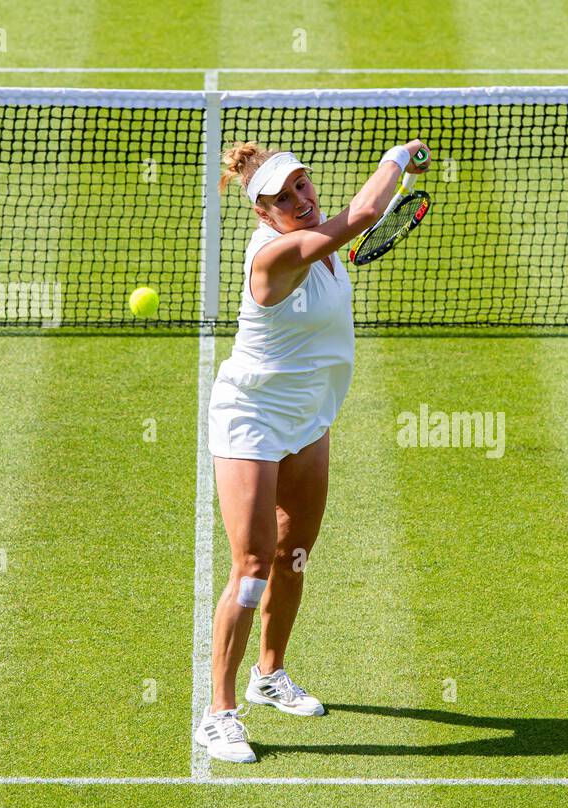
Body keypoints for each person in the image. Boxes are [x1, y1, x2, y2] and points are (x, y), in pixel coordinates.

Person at [194, 137, 431, 763]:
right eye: (283, 197)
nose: (300, 199)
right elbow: (362, 215)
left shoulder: (318, 241)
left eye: (302, 184)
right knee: (251, 568)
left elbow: (349, 222)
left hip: (307, 420)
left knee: (293, 555)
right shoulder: (277, 256)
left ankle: (269, 674)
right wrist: (398, 158)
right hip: (251, 420)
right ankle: (218, 713)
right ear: (262, 213)